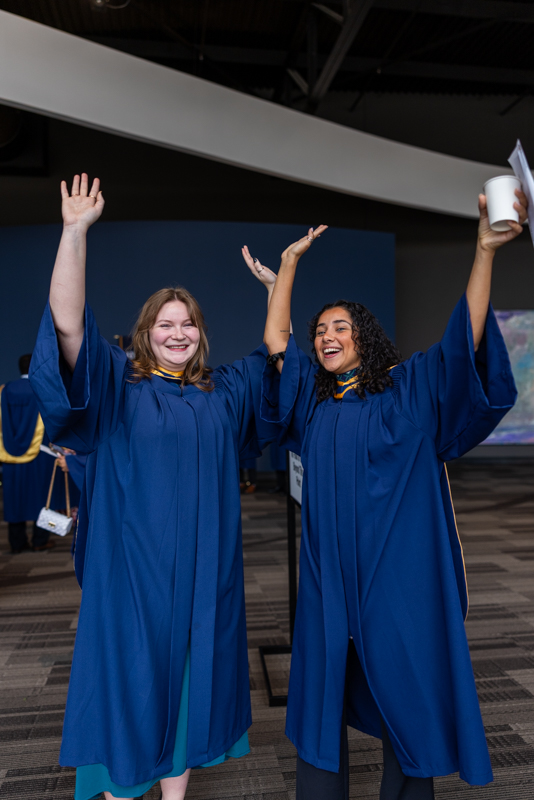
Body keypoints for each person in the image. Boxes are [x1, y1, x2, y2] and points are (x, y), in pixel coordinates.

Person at [254, 189, 527, 800]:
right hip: (329, 583)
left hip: (396, 577)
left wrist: (483, 250)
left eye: (340, 327)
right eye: (320, 330)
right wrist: (290, 266)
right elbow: (278, 342)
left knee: (407, 693)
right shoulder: (312, 403)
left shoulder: (408, 393)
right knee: (322, 700)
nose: (327, 337)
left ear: (364, 337)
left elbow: (466, 338)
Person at [29, 174, 277, 800]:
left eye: (187, 323)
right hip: (132, 578)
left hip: (202, 575)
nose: (177, 332)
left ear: (200, 333)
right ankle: (120, 788)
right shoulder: (118, 387)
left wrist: (280, 289)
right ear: (145, 332)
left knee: (192, 683)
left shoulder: (222, 392)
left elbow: (275, 353)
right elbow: (66, 324)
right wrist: (74, 233)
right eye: (165, 323)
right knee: (133, 683)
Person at [0, 353, 72, 553]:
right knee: (42, 497)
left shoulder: (5, 391)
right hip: (41, 454)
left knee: (15, 499)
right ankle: (40, 541)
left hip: (10, 455)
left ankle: (17, 543)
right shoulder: (44, 390)